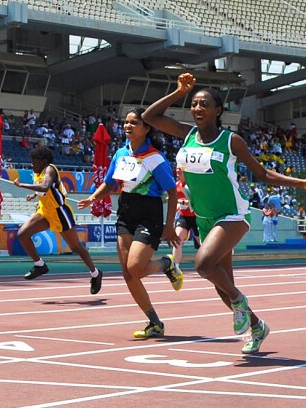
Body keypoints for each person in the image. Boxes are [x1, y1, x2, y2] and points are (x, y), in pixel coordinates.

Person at [142, 73, 306, 354]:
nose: (197, 109)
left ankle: (240, 302)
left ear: (218, 110)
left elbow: (262, 173)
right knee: (222, 286)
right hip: (204, 219)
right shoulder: (188, 134)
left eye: (204, 104)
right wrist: (180, 92)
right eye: (193, 104)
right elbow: (149, 115)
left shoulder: (231, 141)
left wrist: (302, 183)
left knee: (203, 265)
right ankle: (257, 325)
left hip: (232, 215)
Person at [77, 108, 181, 338]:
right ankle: (154, 323)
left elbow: (172, 193)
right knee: (128, 273)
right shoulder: (120, 153)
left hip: (149, 214)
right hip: (125, 213)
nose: (128, 126)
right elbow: (111, 183)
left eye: (134, 123)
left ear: (146, 128)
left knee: (136, 267)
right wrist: (94, 197)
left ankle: (166, 264)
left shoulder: (155, 157)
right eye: (126, 122)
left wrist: (169, 225)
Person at [13, 146, 103, 294]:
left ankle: (95, 273)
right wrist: (34, 196)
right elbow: (47, 189)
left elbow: (45, 186)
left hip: (59, 213)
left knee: (76, 248)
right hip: (44, 211)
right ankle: (39, 265)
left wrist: (21, 185)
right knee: (22, 234)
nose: (31, 165)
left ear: (44, 161)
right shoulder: (38, 172)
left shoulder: (50, 169)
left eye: (34, 162)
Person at [172, 167, 201, 269]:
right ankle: (175, 266)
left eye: (179, 169)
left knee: (202, 243)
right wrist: (177, 206)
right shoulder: (176, 185)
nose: (177, 171)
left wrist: (182, 202)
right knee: (177, 238)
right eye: (176, 169)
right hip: (183, 216)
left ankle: (211, 263)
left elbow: (196, 202)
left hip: (196, 217)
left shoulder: (192, 185)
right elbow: (175, 200)